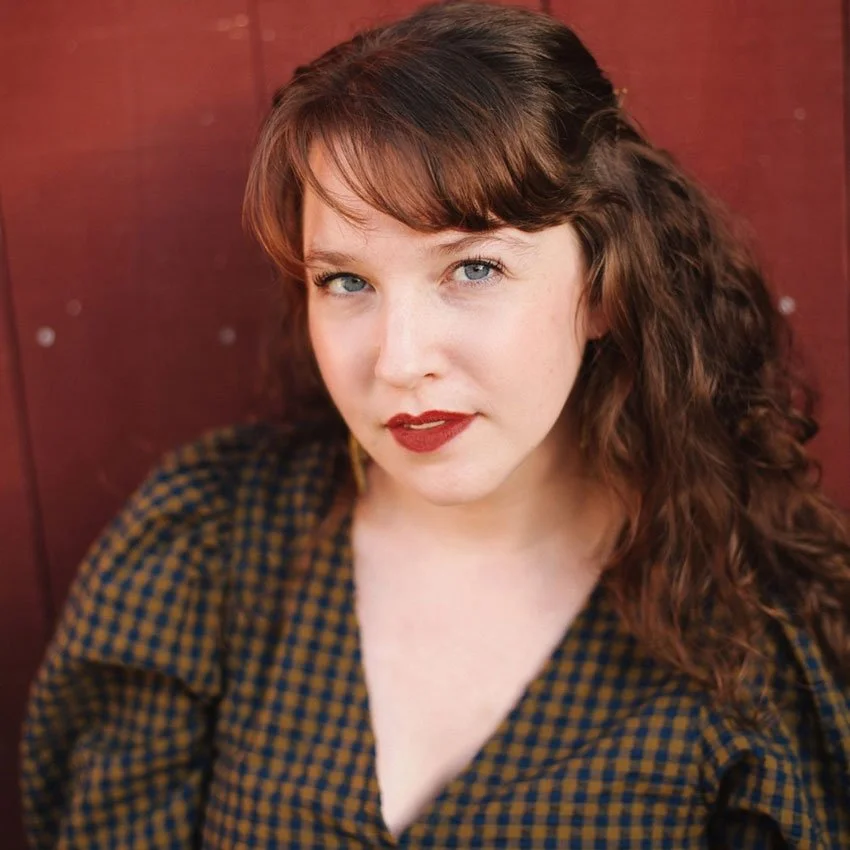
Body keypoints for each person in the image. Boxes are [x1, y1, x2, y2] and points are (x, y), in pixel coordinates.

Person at [20, 2, 850, 847]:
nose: (398, 360)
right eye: (346, 282)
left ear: (604, 284)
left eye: (474, 267)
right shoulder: (206, 547)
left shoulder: (752, 632)